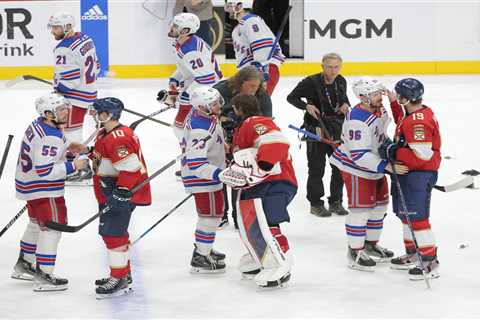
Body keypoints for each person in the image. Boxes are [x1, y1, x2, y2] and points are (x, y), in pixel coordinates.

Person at [329, 77, 409, 271]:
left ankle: (371, 245)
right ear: (363, 98)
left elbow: (382, 132)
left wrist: (392, 101)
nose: (379, 96)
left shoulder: (377, 108)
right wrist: (387, 166)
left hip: (374, 165)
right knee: (361, 210)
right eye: (374, 94)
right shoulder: (357, 120)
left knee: (380, 206)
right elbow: (358, 155)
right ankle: (355, 252)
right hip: (356, 168)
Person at [219, 93, 297, 288]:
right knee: (252, 224)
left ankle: (281, 264)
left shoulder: (256, 121)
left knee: (269, 223)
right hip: (260, 185)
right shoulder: (241, 128)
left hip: (275, 183)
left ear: (239, 109)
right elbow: (244, 158)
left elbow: (277, 143)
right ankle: (262, 257)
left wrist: (262, 167)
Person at [12, 93, 88, 291]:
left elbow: (47, 153)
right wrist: (74, 166)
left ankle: (24, 264)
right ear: (47, 113)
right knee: (53, 228)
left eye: (65, 107)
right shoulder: (51, 136)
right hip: (44, 190)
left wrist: (68, 150)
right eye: (60, 109)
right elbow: (45, 172)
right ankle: (45, 275)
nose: (66, 112)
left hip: (28, 184)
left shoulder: (39, 124)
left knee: (36, 224)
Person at [88, 97, 152, 298]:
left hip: (118, 193)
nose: (93, 114)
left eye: (96, 112)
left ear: (107, 115)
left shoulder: (118, 137)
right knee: (114, 233)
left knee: (113, 233)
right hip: (108, 190)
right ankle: (123, 272)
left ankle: (119, 276)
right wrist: (88, 152)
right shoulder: (105, 133)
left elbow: (131, 168)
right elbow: (106, 156)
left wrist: (122, 192)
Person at [379, 78, 441, 280]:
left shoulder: (419, 122)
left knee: (418, 218)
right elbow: (402, 123)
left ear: (406, 98)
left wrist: (394, 151)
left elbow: (423, 155)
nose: (397, 98)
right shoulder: (412, 113)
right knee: (406, 215)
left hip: (418, 175)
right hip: (408, 173)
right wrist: (393, 103)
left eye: (399, 96)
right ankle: (413, 254)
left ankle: (429, 262)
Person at [287, 52, 350, 217]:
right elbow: (291, 98)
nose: (333, 70)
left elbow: (344, 98)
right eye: (329, 67)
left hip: (337, 129)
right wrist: (306, 106)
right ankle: (315, 203)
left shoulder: (341, 80)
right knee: (316, 168)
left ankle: (336, 202)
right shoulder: (311, 82)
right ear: (322, 67)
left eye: (336, 67)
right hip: (316, 129)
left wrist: (345, 104)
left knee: (339, 166)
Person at [214, 65, 272, 229]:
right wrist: (223, 120)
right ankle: (222, 214)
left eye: (257, 85)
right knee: (223, 176)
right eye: (252, 85)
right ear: (241, 82)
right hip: (223, 140)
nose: (255, 89)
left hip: (246, 142)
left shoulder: (262, 95)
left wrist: (261, 139)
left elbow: (265, 123)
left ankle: (239, 215)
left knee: (242, 177)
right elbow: (209, 112)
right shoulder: (221, 90)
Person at [48, 12, 99, 183]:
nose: (53, 31)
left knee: (71, 132)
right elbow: (97, 64)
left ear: (67, 27)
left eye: (56, 28)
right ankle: (76, 163)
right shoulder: (85, 38)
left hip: (74, 96)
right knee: (73, 130)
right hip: (88, 91)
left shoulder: (64, 48)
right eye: (53, 27)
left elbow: (71, 77)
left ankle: (82, 169)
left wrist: (59, 91)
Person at [181, 87, 227, 273]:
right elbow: (196, 163)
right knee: (210, 216)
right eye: (213, 104)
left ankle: (204, 249)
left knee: (214, 213)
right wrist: (219, 174)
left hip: (206, 173)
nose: (218, 106)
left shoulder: (202, 114)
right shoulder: (200, 129)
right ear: (202, 106)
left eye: (217, 101)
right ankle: (201, 255)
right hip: (202, 177)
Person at [163, 12, 223, 142]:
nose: (171, 27)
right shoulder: (183, 43)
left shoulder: (191, 50)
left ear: (185, 30)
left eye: (175, 26)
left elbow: (207, 78)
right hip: (199, 87)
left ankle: (190, 148)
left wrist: (186, 96)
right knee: (182, 126)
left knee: (180, 126)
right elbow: (187, 68)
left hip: (208, 91)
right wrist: (175, 79)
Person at [224, 1, 285, 95]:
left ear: (239, 6)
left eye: (229, 5)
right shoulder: (240, 26)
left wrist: (262, 73)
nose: (228, 10)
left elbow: (263, 48)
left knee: (256, 107)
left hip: (262, 71)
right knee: (247, 107)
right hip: (251, 73)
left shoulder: (251, 21)